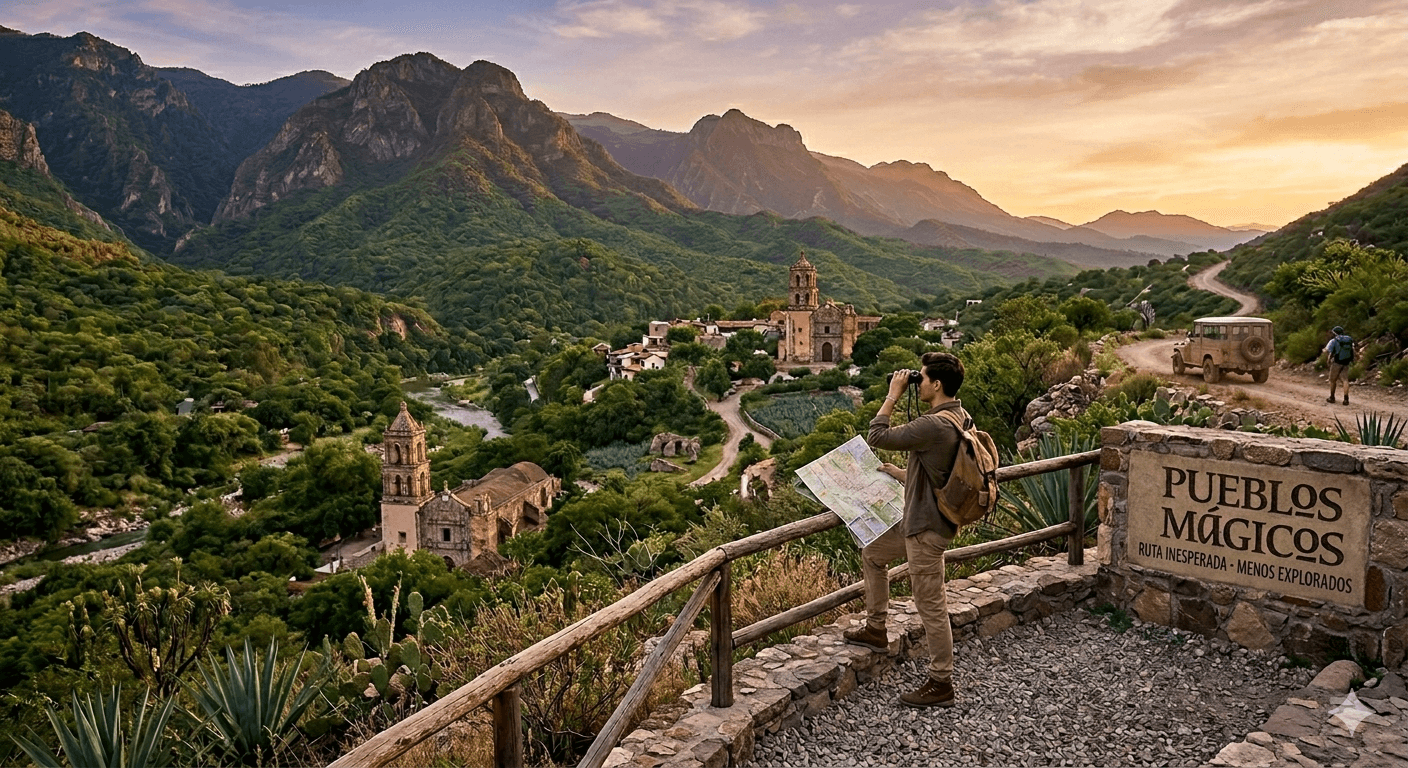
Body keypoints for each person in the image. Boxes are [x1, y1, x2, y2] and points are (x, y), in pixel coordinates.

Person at [843, 351, 968, 708]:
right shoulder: (959, 416)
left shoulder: (934, 425)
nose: (918, 383)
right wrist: (901, 473)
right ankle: (876, 628)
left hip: (926, 527)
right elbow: (940, 466)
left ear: (937, 384)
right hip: (920, 519)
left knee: (931, 605)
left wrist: (893, 394)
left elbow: (877, 434)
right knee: (873, 553)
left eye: (921, 378)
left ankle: (941, 682)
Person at [1324, 326, 1352, 405]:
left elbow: (1329, 351)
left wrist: (1328, 360)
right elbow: (1352, 350)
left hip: (1337, 362)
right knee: (1345, 380)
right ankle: (1346, 399)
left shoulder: (1334, 340)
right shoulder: (1348, 339)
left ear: (1335, 333)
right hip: (1346, 362)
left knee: (1332, 380)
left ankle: (1332, 397)